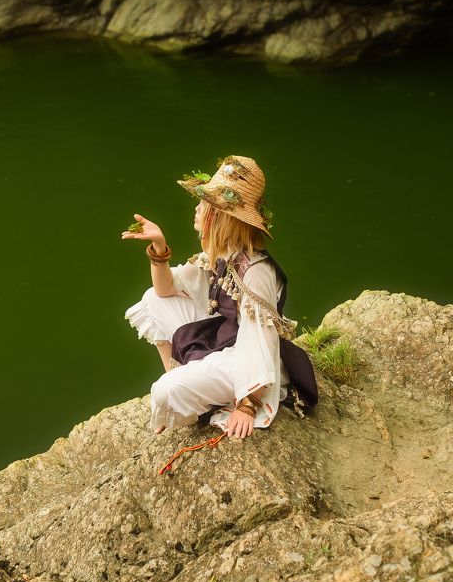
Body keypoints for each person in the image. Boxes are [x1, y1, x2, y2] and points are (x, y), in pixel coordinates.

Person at [122, 154, 318, 443]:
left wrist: (248, 405)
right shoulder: (223, 253)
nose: (196, 208)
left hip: (248, 362)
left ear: (220, 216)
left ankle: (191, 387)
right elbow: (165, 291)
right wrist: (159, 248)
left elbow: (261, 341)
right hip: (226, 338)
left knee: (165, 391)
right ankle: (187, 377)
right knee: (152, 300)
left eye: (203, 203)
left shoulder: (257, 272)